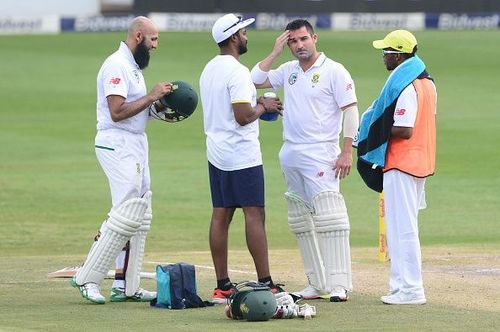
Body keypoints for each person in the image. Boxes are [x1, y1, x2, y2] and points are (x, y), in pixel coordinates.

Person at [250, 19, 359, 302]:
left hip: (322, 152)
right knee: (301, 220)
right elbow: (254, 78)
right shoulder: (288, 71)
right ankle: (316, 282)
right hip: (291, 152)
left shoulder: (334, 70)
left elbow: (350, 111)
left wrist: (347, 150)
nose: (299, 45)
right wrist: (274, 51)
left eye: (303, 39)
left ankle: (339, 284)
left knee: (330, 217)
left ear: (314, 38)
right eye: (293, 42)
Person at [70, 16, 174, 304]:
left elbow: (135, 108)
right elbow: (116, 111)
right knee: (125, 214)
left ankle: (127, 285)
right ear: (139, 36)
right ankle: (87, 278)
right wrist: (152, 95)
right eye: (153, 39)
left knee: (139, 214)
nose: (156, 45)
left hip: (136, 143)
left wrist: (158, 108)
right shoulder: (117, 64)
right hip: (116, 143)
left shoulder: (133, 67)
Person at [199, 13, 284, 304]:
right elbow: (243, 116)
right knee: (254, 213)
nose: (247, 36)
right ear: (234, 37)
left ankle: (222, 285)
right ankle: (266, 283)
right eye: (244, 32)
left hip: (216, 151)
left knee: (221, 213)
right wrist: (264, 105)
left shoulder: (209, 68)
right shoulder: (236, 72)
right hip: (241, 153)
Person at [367, 30, 436, 305]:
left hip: (403, 162)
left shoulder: (406, 86)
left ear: (398, 54)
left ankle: (411, 289)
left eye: (386, 52)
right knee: (399, 226)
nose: (383, 57)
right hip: (417, 162)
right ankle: (399, 285)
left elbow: (405, 129)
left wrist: (374, 132)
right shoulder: (427, 82)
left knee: (403, 228)